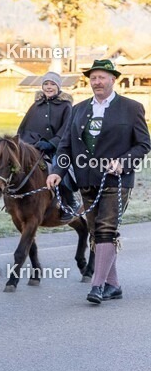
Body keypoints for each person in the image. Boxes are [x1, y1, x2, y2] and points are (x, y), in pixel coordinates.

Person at [47, 59, 150, 305]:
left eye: (102, 77)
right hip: (86, 179)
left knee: (106, 229)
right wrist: (58, 171)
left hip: (117, 179)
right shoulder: (79, 109)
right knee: (95, 232)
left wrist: (123, 162)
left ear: (113, 79)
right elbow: (66, 145)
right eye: (93, 78)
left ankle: (98, 285)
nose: (97, 82)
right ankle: (113, 285)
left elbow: (144, 144)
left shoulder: (132, 108)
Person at [18, 70, 75, 209]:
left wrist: (51, 143)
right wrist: (27, 145)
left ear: (58, 87)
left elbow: (67, 129)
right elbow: (25, 128)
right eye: (46, 84)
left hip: (57, 148)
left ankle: (70, 203)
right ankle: (15, 201)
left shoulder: (65, 106)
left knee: (59, 169)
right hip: (35, 147)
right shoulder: (36, 105)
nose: (49, 87)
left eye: (52, 84)